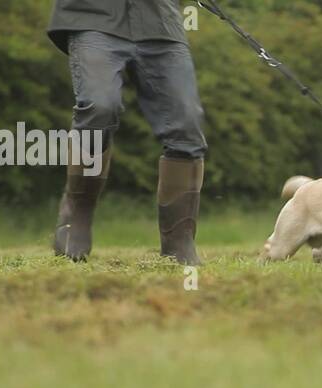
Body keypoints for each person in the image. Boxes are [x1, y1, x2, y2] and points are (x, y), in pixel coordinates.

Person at [48, 0, 207, 264]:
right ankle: (76, 216)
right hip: (92, 17)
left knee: (186, 124)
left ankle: (178, 241)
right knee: (99, 108)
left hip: (161, 24)